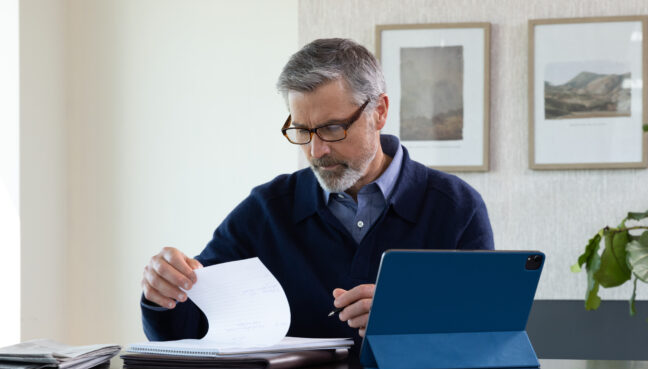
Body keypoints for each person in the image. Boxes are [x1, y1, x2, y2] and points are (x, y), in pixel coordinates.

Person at [140, 38, 494, 341]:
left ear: (379, 112)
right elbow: (187, 332)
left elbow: (489, 334)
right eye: (302, 131)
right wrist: (164, 292)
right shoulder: (265, 211)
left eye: (332, 128)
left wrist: (412, 319)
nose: (316, 151)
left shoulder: (457, 208)